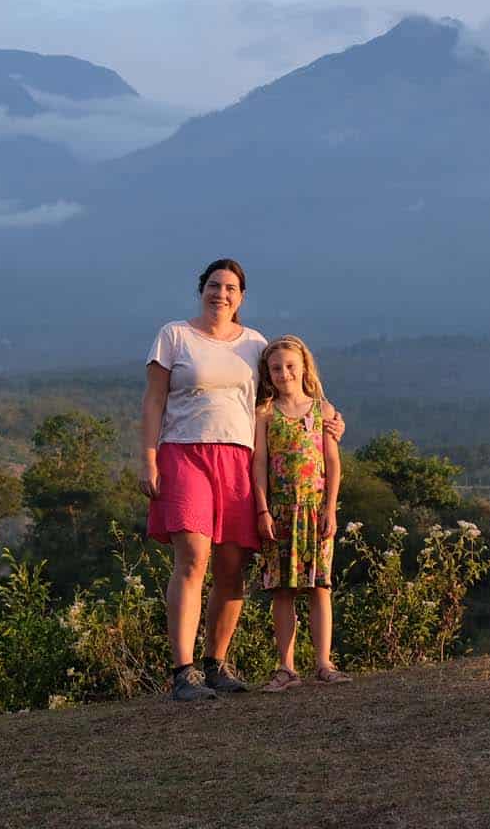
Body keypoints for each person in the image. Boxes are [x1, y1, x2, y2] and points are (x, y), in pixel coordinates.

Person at [141, 258, 344, 702]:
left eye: (231, 288)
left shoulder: (254, 343)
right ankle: (183, 672)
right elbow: (154, 400)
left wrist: (330, 420)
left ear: (242, 296)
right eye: (215, 285)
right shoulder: (174, 335)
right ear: (201, 289)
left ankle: (216, 664)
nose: (222, 294)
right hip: (184, 452)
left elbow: (290, 388)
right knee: (193, 560)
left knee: (233, 569)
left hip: (238, 459)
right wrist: (149, 459)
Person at [252, 334, 350, 690]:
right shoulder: (264, 413)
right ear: (268, 372)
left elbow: (333, 464)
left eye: (290, 366)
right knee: (283, 590)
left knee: (320, 587)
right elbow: (259, 464)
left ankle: (324, 662)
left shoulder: (323, 410)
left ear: (304, 366)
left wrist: (331, 509)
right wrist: (262, 510)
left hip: (315, 511)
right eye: (276, 368)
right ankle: (286, 667)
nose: (284, 373)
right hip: (279, 512)